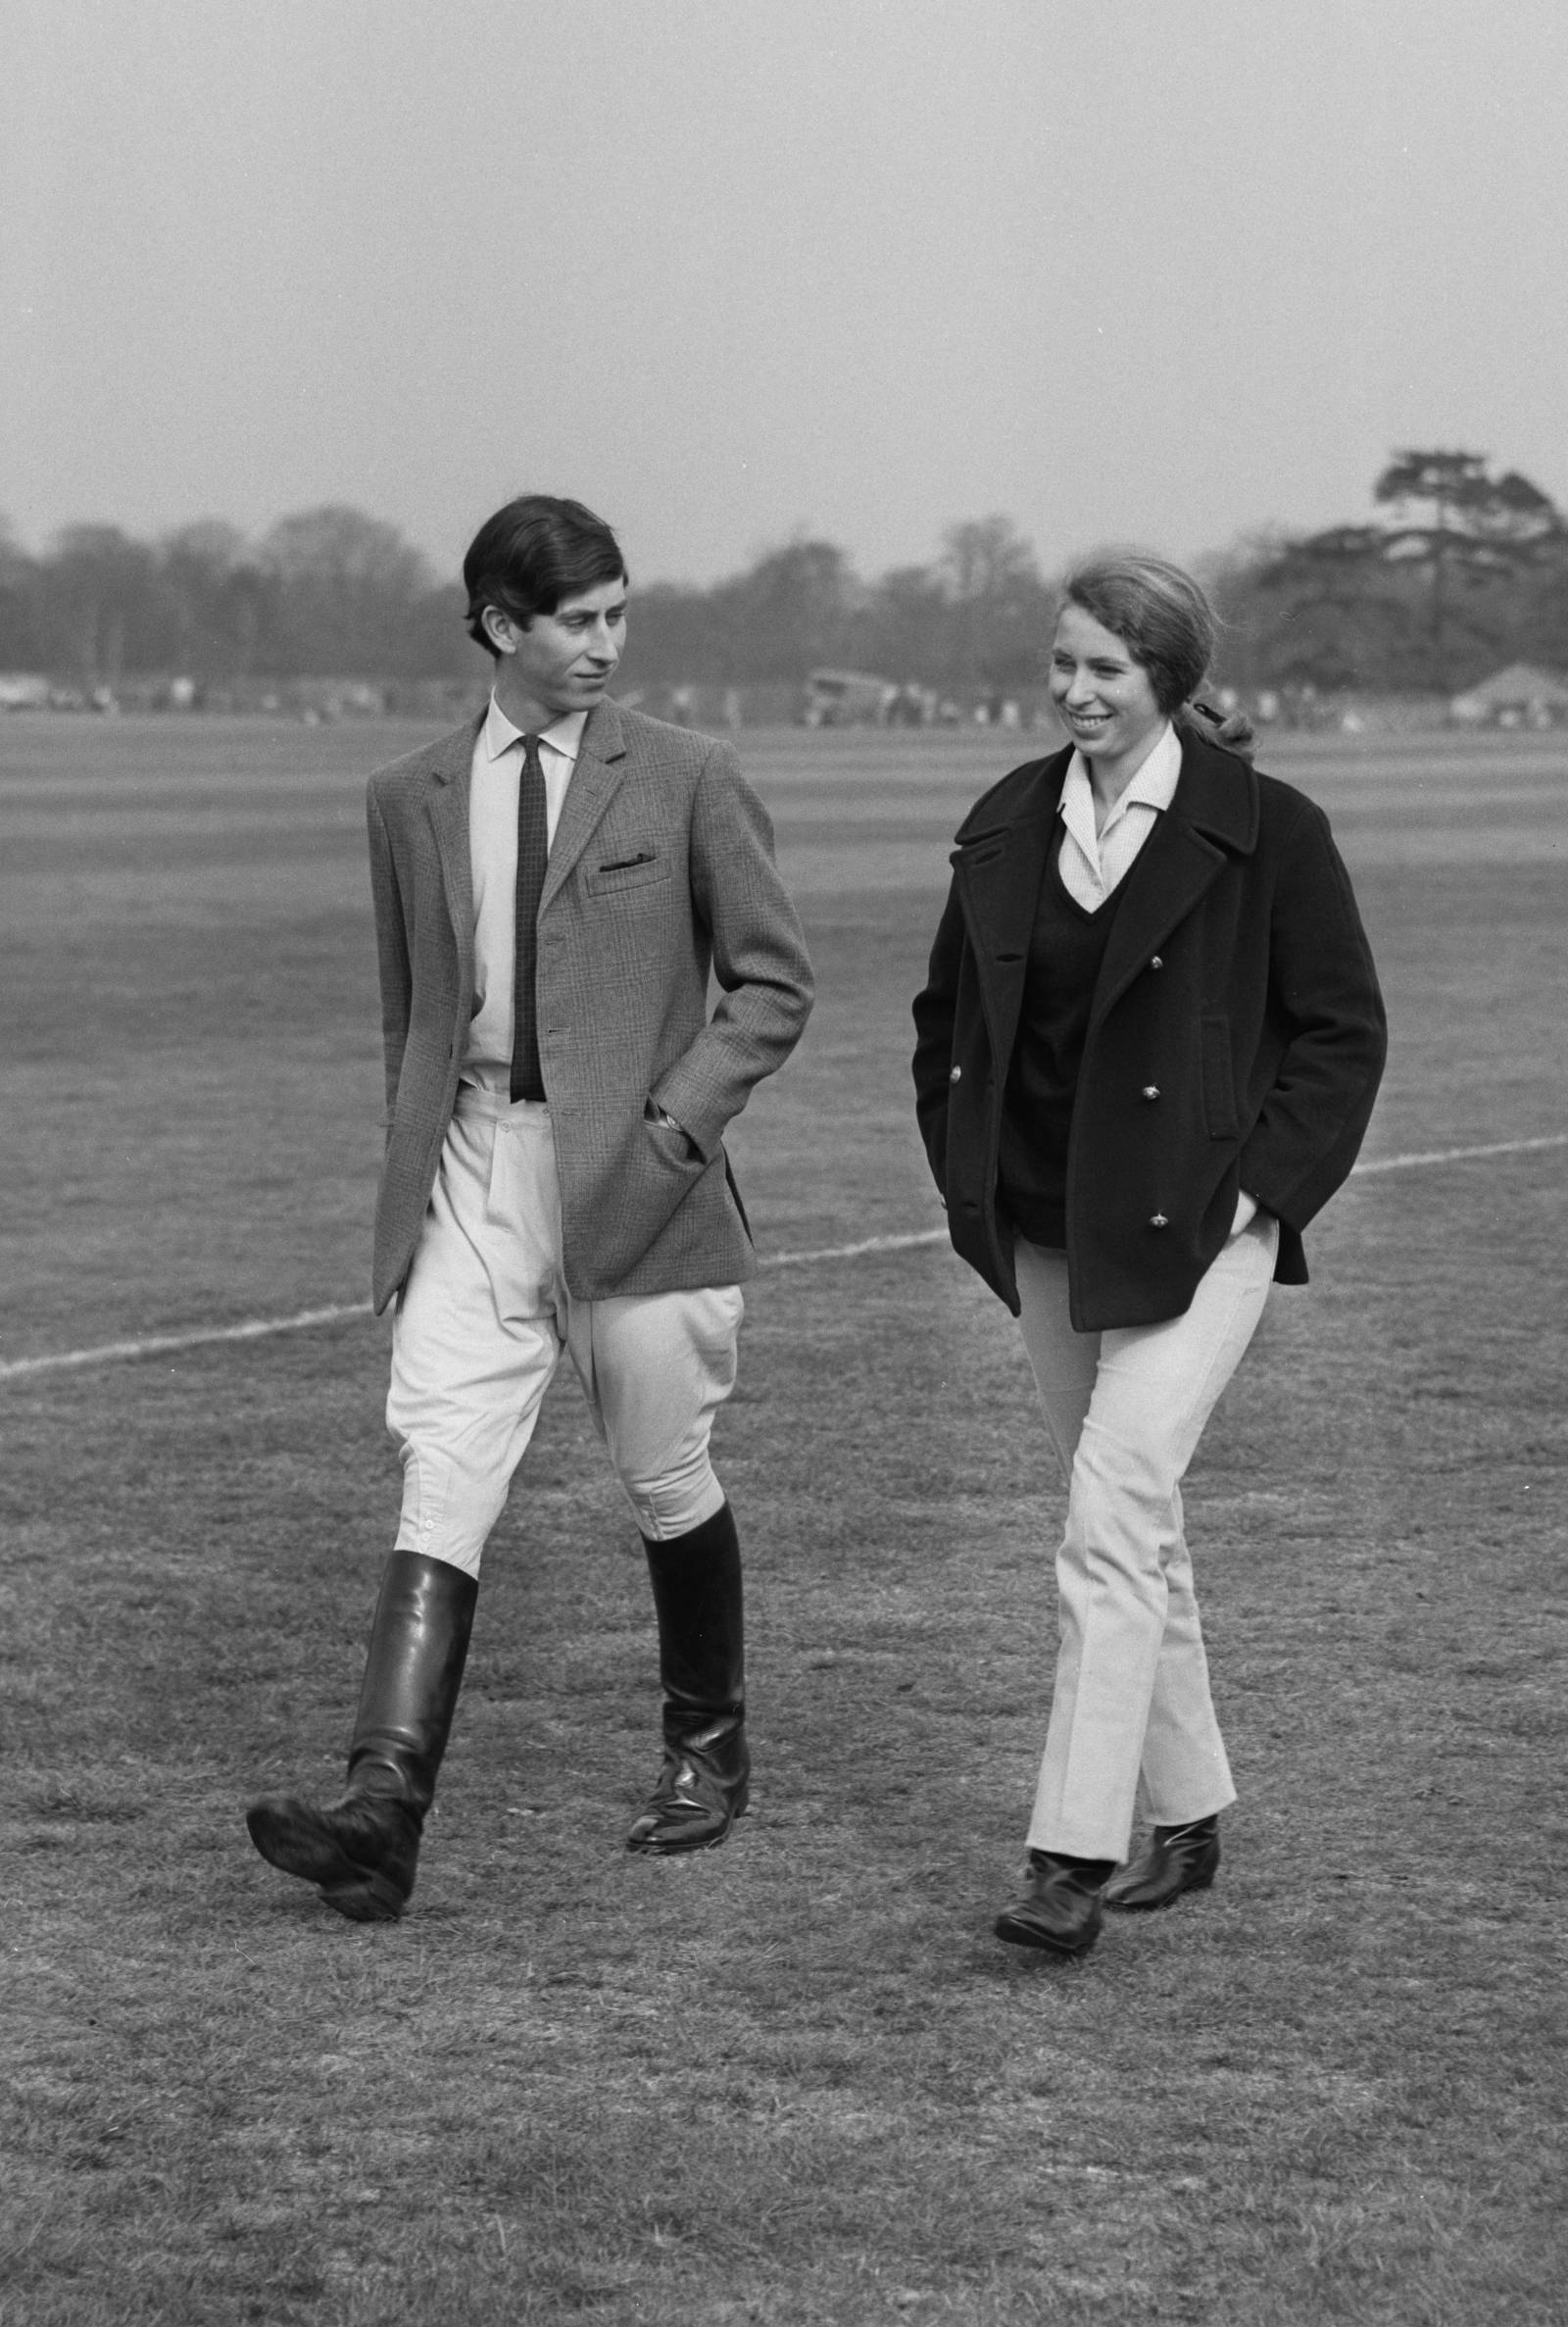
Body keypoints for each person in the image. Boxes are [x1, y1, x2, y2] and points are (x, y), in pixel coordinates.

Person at [247, 494, 813, 1920]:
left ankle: (706, 1753)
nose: (607, 643)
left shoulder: (686, 776)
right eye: (579, 619)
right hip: (475, 1175)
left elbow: (774, 984)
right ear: (500, 624)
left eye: (620, 614)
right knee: (443, 1465)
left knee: (663, 1468)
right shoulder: (407, 797)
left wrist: (680, 1122)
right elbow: (412, 1019)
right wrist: (417, 1168)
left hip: (642, 1181)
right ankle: (383, 1810)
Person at [911, 554, 1386, 1958]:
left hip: (1202, 1230)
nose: (1075, 690)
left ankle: (1068, 1853)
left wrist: (1257, 1195)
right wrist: (964, 1175)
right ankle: (1190, 1814)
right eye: (1064, 663)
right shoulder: (1005, 820)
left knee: (1107, 1517)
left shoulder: (1269, 830)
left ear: (1168, 678)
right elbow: (946, 1018)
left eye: (1106, 669)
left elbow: (1341, 1032)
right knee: (1134, 1524)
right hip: (1047, 1227)